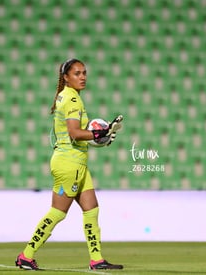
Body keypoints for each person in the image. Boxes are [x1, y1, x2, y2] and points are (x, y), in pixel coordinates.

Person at [15, 58, 123, 270]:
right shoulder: (72, 100)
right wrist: (99, 133)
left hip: (78, 162)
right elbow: (75, 133)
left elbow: (78, 136)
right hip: (68, 164)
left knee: (91, 209)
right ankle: (26, 255)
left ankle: (97, 260)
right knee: (58, 212)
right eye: (77, 73)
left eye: (84, 73)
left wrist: (100, 138)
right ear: (66, 77)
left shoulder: (68, 96)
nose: (82, 77)